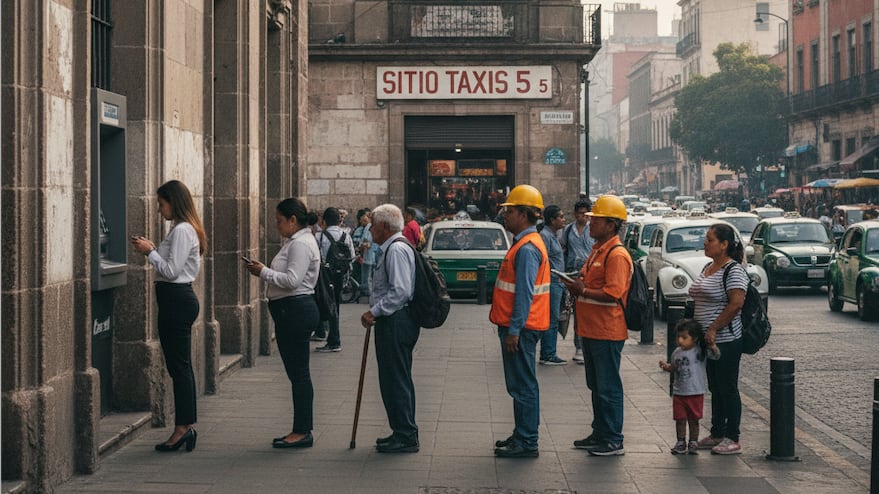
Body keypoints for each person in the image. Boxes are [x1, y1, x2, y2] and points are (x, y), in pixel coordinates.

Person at [130, 180, 206, 453]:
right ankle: (185, 426)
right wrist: (152, 248)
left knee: (180, 367)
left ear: (174, 202)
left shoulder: (183, 230)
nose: (159, 209)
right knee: (178, 366)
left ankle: (183, 428)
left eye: (161, 204)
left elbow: (171, 271)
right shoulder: (180, 229)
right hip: (175, 300)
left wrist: (150, 252)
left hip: (177, 300)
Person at [245, 198, 320, 448]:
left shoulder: (300, 244)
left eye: (279, 221)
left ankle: (302, 430)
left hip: (295, 311)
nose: (277, 226)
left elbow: (292, 280)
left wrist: (263, 271)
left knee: (299, 374)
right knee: (298, 373)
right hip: (291, 310)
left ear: (293, 220)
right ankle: (301, 428)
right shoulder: (297, 241)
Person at [561, 194, 631, 456]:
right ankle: (600, 432)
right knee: (597, 386)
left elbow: (613, 292)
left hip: (607, 331)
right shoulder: (597, 250)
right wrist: (577, 285)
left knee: (608, 387)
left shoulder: (617, 254)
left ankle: (613, 438)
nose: (590, 224)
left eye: (596, 221)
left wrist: (583, 290)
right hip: (591, 329)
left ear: (611, 225)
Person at [490, 185, 551, 458]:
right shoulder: (525, 243)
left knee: (523, 385)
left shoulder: (527, 248)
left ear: (524, 215)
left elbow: (524, 293)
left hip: (522, 329)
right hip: (523, 326)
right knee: (519, 384)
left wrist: (514, 330)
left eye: (510, 211)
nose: (506, 215)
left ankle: (527, 440)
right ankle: (522, 434)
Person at [360, 204, 421, 453]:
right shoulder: (393, 248)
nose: (370, 230)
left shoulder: (396, 250)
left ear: (384, 226)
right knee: (394, 378)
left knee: (395, 379)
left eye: (373, 225)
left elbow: (400, 292)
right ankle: (401, 430)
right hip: (394, 320)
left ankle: (406, 435)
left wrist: (373, 311)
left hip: (396, 321)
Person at [688, 223, 748, 455]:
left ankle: (733, 437)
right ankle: (717, 433)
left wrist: (713, 328)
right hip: (707, 341)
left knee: (727, 387)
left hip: (726, 339)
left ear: (724, 245)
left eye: (710, 239)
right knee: (715, 387)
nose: (705, 243)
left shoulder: (733, 270)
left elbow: (736, 304)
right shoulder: (709, 266)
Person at [659, 319, 720, 455]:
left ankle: (693, 441)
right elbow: (674, 367)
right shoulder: (676, 352)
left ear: (695, 338)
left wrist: (713, 346)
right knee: (680, 419)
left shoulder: (699, 352)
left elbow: (716, 356)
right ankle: (681, 441)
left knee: (694, 420)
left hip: (695, 392)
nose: (680, 340)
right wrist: (666, 367)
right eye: (678, 337)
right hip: (679, 392)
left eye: (684, 337)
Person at [559, 199, 595, 364]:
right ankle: (579, 346)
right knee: (576, 312)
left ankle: (588, 346)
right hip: (573, 274)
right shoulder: (568, 230)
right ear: (575, 214)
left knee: (589, 312)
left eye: (586, 214)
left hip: (589, 274)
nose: (583, 217)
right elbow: (563, 249)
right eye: (581, 214)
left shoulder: (592, 229)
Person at [315, 207, 355, 352]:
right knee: (335, 304)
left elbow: (315, 257)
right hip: (340, 276)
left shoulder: (320, 236)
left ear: (324, 220)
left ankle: (333, 340)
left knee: (325, 303)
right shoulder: (346, 235)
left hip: (325, 276)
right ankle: (332, 337)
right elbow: (352, 256)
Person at [538, 205, 567, 365]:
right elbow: (543, 261)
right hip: (552, 282)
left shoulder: (554, 235)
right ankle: (548, 353)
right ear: (552, 220)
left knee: (555, 318)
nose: (563, 220)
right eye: (560, 217)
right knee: (551, 319)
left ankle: (549, 351)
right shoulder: (545, 236)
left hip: (558, 281)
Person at [351, 208, 375, 298]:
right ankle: (365, 290)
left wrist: (361, 246)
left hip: (369, 256)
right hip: (367, 256)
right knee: (366, 275)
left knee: (367, 276)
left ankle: (366, 290)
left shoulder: (369, 228)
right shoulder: (365, 228)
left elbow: (367, 242)